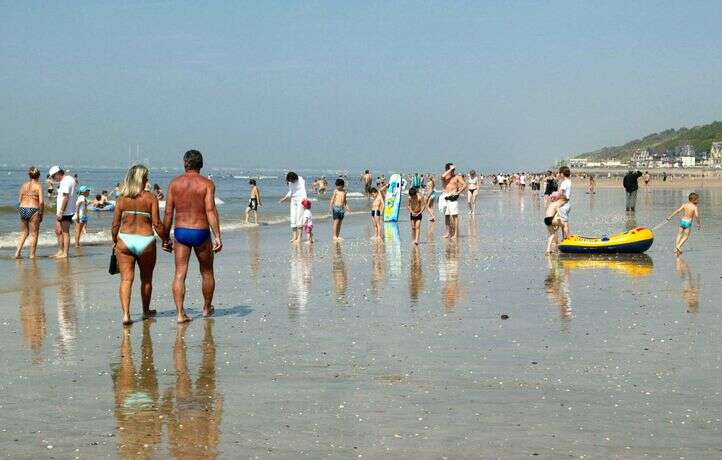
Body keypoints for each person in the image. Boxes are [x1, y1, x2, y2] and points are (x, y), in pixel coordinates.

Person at [162, 150, 223, 323]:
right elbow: (210, 210)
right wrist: (217, 235)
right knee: (207, 272)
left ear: (185, 163)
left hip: (181, 232)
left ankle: (180, 314)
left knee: (180, 273)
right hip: (201, 231)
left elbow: (167, 213)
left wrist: (165, 237)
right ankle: (205, 308)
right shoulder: (207, 184)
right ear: (201, 165)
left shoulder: (174, 183)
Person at [112, 165, 165, 325]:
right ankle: (146, 311)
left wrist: (115, 241)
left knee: (126, 280)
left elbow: (115, 225)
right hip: (145, 240)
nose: (148, 180)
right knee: (146, 279)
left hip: (125, 240)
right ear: (141, 179)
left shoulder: (121, 198)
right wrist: (166, 239)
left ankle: (126, 315)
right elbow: (156, 223)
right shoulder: (151, 198)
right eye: (146, 177)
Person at [15, 166, 44, 259]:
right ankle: (32, 255)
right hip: (33, 209)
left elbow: (19, 200)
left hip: (22, 208)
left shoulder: (24, 185)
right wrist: (41, 213)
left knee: (24, 232)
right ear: (38, 175)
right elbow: (41, 202)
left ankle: (17, 253)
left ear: (29, 175)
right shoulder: (38, 186)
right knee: (34, 234)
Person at [48, 166, 77, 259]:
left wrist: (61, 211)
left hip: (65, 211)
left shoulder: (65, 181)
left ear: (57, 173)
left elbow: (66, 197)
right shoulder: (69, 179)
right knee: (58, 231)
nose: (53, 179)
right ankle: (60, 251)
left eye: (53, 176)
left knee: (65, 232)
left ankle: (65, 253)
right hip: (64, 210)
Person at [440, 163, 466, 239]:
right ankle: (447, 232)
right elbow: (442, 176)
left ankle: (455, 233)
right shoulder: (445, 177)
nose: (453, 170)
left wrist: (458, 192)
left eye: (454, 169)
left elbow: (464, 184)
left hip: (453, 198)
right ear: (447, 169)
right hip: (445, 197)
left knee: (455, 216)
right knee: (446, 216)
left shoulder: (457, 177)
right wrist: (450, 170)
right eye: (452, 169)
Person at [279, 172, 307, 243]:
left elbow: (303, 191)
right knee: (293, 217)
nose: (291, 181)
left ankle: (299, 237)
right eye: (289, 180)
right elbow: (291, 191)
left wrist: (305, 200)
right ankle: (294, 237)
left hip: (301, 199)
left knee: (299, 218)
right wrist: (284, 198)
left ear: (295, 178)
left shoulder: (301, 180)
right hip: (293, 200)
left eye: (291, 180)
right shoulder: (290, 182)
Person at [557, 166, 572, 239]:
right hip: (568, 204)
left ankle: (568, 238)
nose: (559, 174)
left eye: (560, 173)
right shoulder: (569, 181)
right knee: (564, 222)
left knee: (564, 223)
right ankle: (564, 238)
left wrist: (555, 196)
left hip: (563, 204)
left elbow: (561, 193)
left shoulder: (564, 183)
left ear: (562, 174)